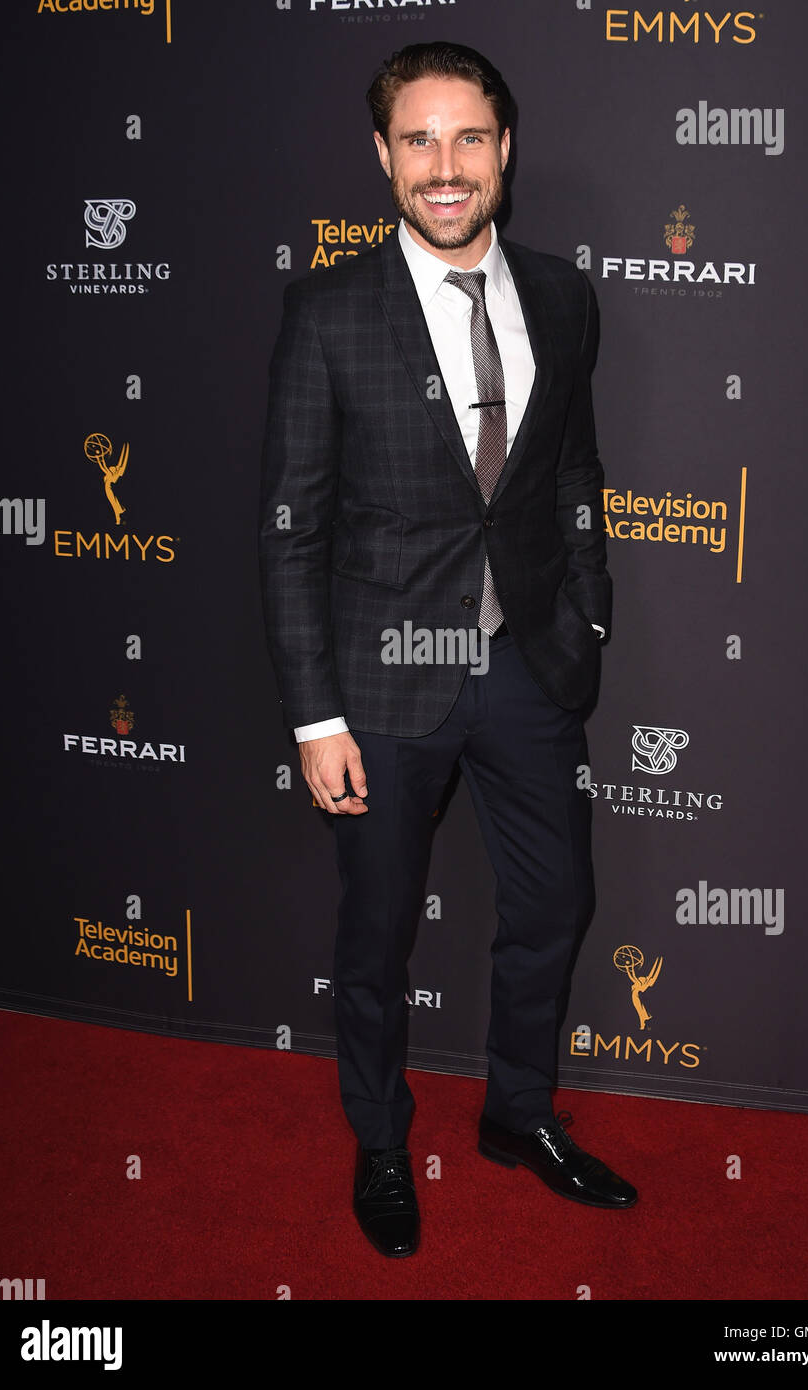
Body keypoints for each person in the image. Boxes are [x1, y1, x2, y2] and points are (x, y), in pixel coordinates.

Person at [259, 40, 637, 1259]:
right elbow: (292, 526)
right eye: (417, 139)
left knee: (555, 906)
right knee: (376, 933)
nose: (445, 165)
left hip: (527, 663)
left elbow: (573, 470)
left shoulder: (564, 297)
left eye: (468, 136)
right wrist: (315, 716)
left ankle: (516, 1117)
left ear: (505, 149)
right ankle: (379, 1140)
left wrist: (587, 604)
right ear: (381, 156)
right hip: (378, 683)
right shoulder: (328, 312)